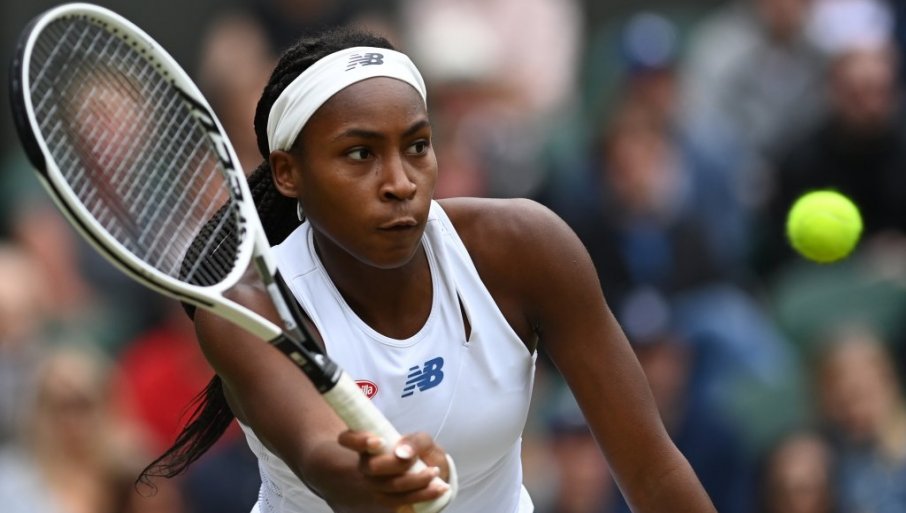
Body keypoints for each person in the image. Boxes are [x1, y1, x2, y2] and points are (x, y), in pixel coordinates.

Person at [140, 27, 718, 513]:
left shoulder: (526, 248)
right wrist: (386, 476)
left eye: (417, 147)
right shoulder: (248, 307)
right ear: (289, 172)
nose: (400, 183)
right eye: (361, 154)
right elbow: (323, 458)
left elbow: (652, 471)